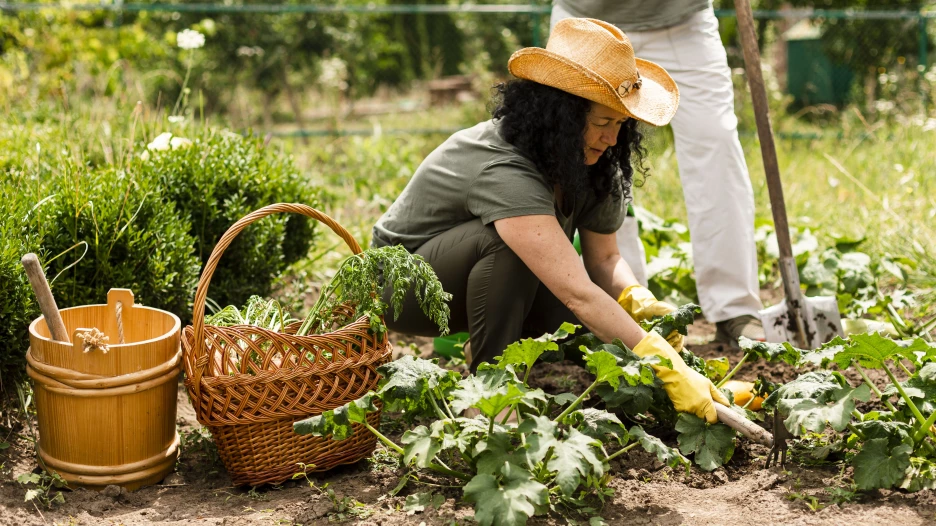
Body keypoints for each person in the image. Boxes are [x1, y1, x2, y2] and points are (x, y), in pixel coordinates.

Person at [371, 18, 728, 423]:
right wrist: (661, 363)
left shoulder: (594, 159)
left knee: (592, 324)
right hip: (403, 290)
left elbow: (605, 260)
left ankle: (489, 343)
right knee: (516, 252)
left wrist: (636, 299)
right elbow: (577, 291)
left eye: (620, 123)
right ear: (561, 116)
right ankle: (489, 398)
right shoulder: (504, 167)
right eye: (602, 122)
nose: (612, 138)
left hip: (474, 280)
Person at [551, 0, 766, 346]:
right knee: (591, 149)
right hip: (587, 19)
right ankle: (623, 311)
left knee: (717, 141)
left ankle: (734, 308)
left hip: (682, 20)